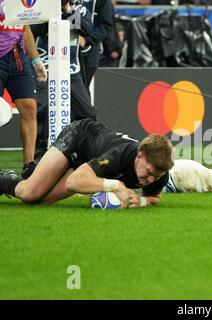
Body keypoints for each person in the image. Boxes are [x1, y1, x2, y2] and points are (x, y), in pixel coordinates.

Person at [0, 118, 173, 209]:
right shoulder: (119, 156)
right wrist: (115, 185)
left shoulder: (159, 170)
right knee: (29, 192)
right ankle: (7, 177)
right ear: (140, 156)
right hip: (77, 138)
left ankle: (36, 172)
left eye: (155, 176)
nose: (150, 179)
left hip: (86, 165)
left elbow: (155, 197)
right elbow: (73, 181)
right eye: (148, 172)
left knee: (37, 202)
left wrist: (140, 201)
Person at [30, 0, 98, 165]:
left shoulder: (80, 10)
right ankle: (39, 156)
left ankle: (86, 151)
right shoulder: (44, 8)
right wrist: (53, 13)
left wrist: (67, 11)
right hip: (46, 68)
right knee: (43, 109)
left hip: (71, 70)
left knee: (87, 112)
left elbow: (87, 30)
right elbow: (34, 30)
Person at [0, 0, 47, 173]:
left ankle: (29, 166)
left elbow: (25, 28)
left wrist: (36, 61)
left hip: (18, 57)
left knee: (29, 108)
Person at [79, 0, 114, 93]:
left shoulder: (103, 2)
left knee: (82, 89)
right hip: (66, 49)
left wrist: (86, 40)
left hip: (89, 52)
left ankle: (85, 107)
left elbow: (105, 26)